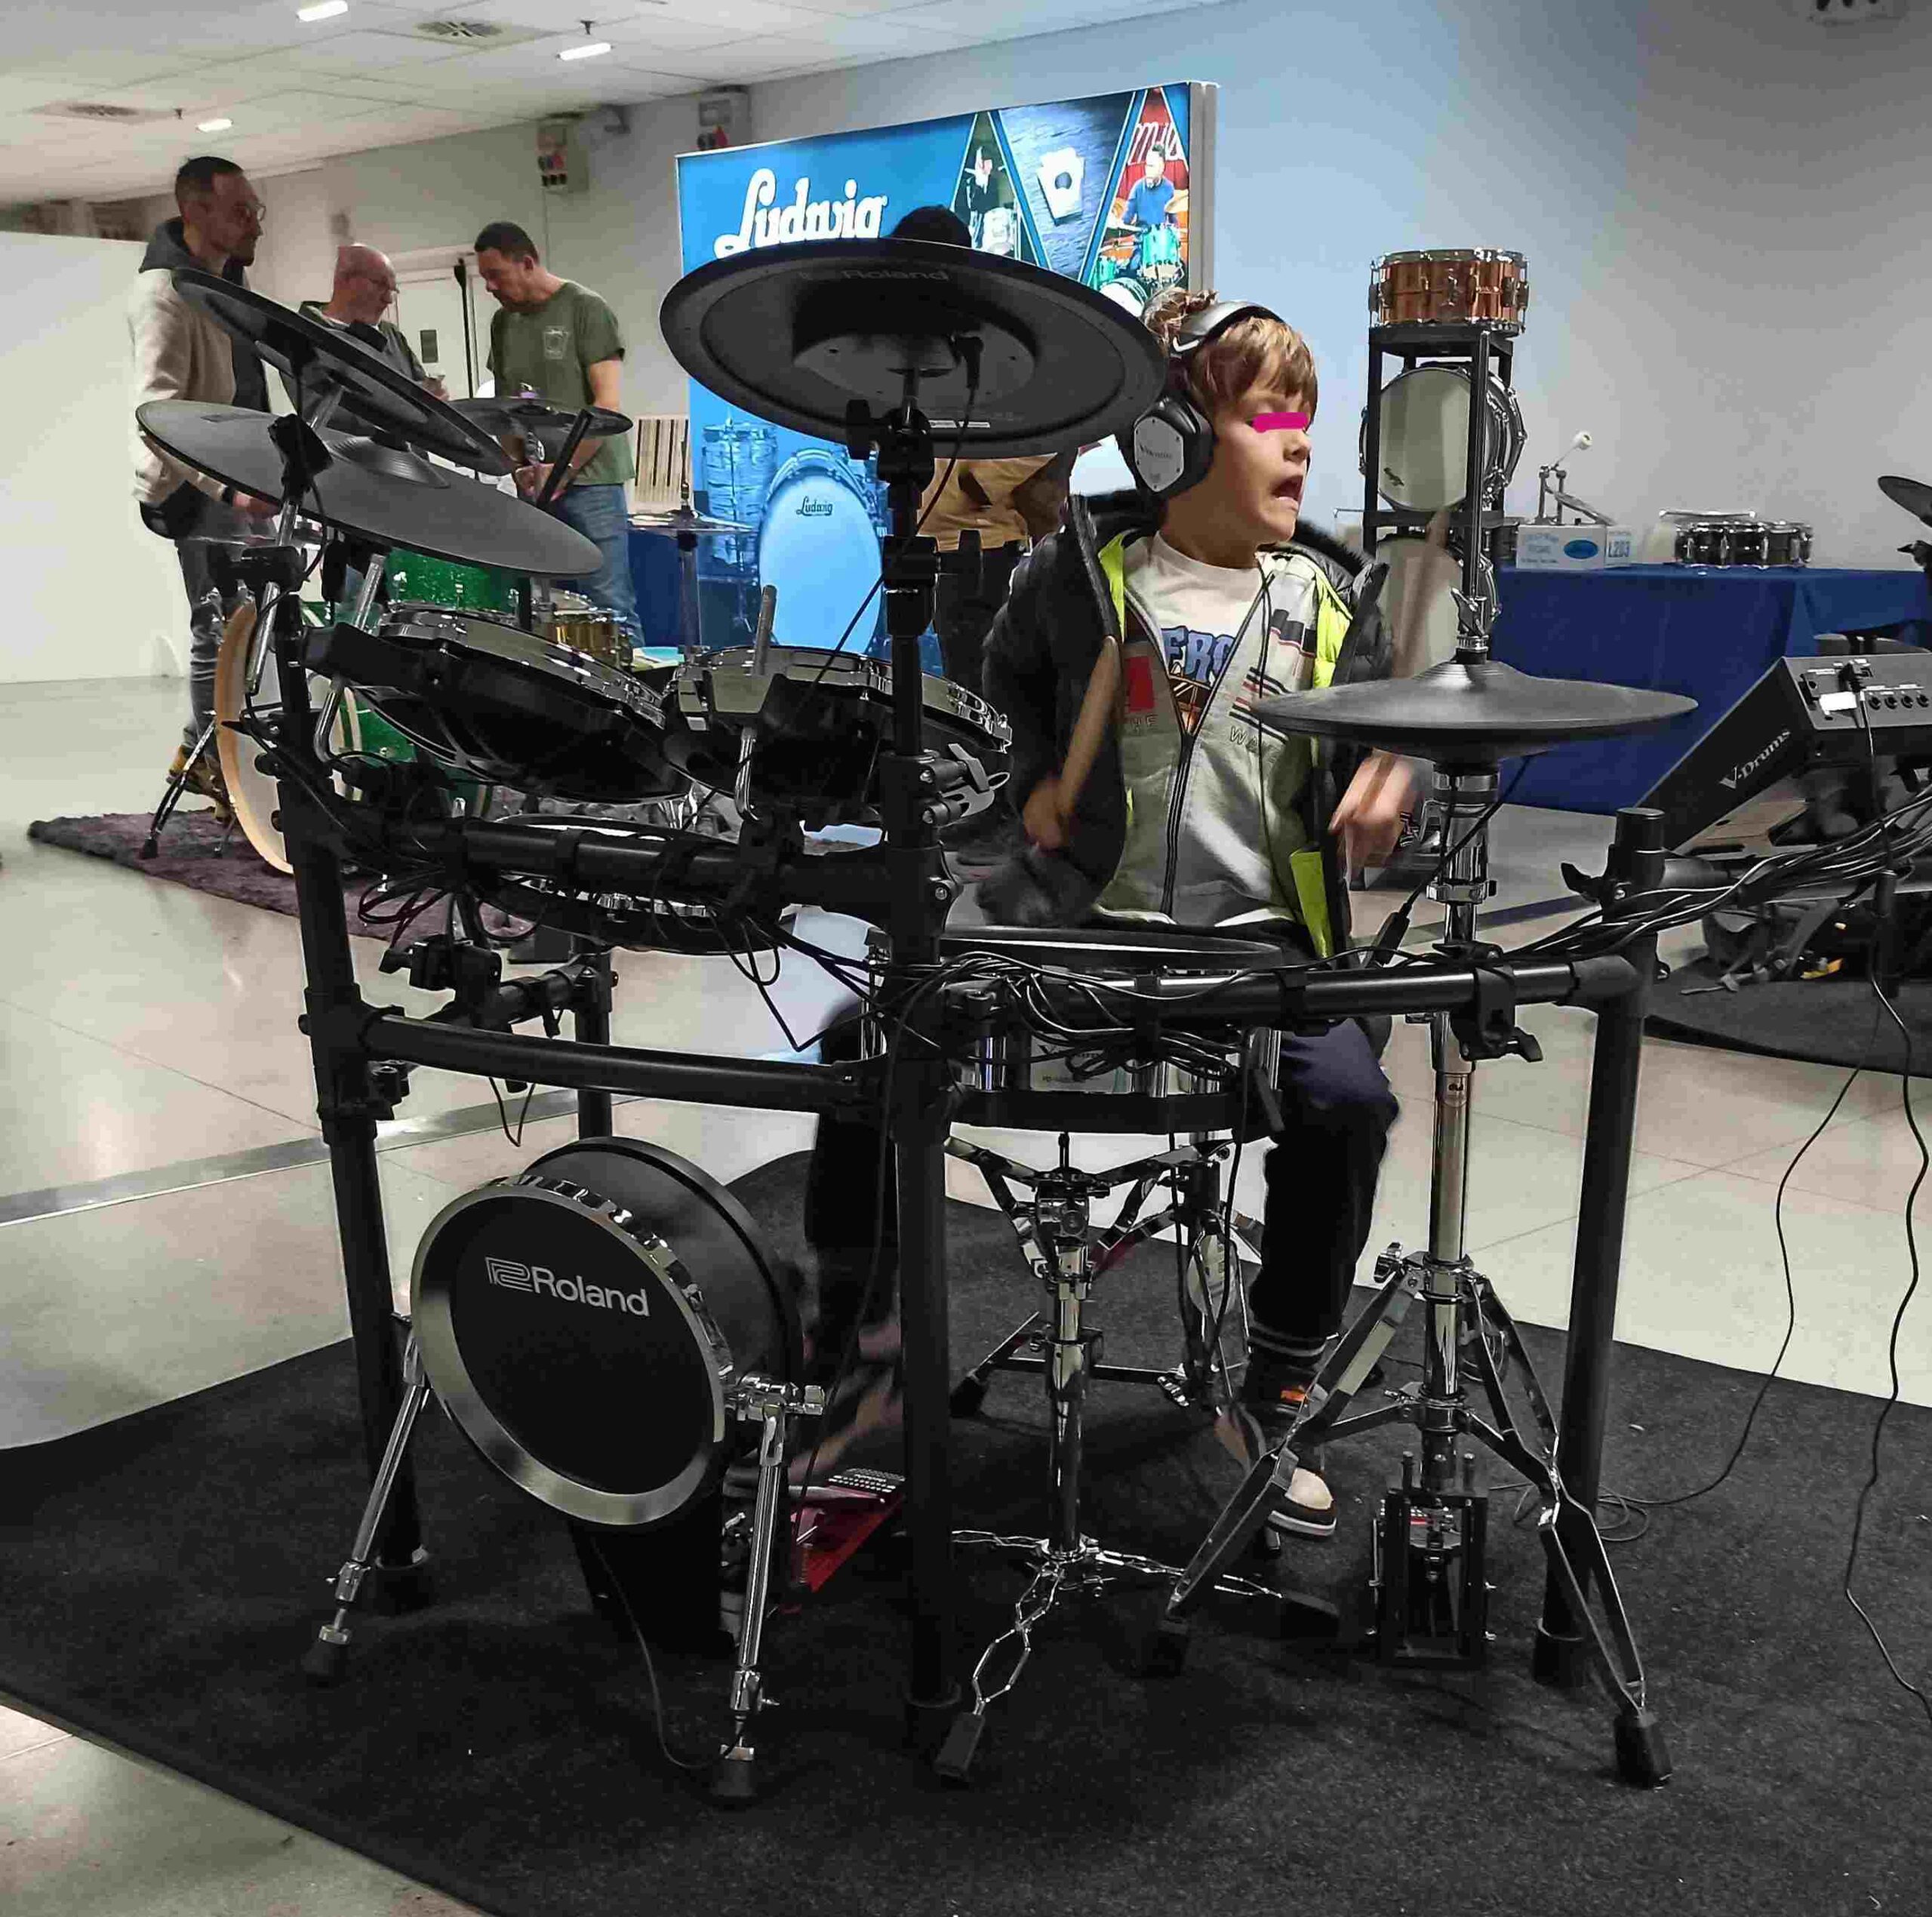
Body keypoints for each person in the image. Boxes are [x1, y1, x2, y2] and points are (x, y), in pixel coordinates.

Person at [803, 290, 1428, 1535]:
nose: (1301, 442)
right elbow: (1000, 684)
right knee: (862, 1038)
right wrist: (1033, 777)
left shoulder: (1333, 597)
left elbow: (1405, 720)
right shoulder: (1075, 574)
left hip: (1260, 953)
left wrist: (1394, 768)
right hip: (1070, 929)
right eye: (1267, 418)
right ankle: (860, 1360)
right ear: (1173, 440)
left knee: (1350, 1101)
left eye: (1306, 419)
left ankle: (1280, 1380)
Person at [888, 205, 1071, 857]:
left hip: (986, 547)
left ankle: (1009, 817)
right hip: (943, 545)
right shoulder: (926, 340)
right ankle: (992, 808)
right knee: (967, 694)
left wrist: (979, 484)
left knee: (997, 696)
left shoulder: (992, 337)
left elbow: (1058, 422)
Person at [131, 155, 275, 817]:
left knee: (252, 625)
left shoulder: (226, 281)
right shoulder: (164, 295)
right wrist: (228, 490)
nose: (256, 224)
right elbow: (157, 413)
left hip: (242, 475)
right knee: (218, 631)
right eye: (242, 211)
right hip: (198, 489)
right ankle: (216, 765)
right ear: (196, 211)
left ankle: (199, 750)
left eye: (256, 210)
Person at [472, 220, 638, 641]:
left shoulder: (586, 308)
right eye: (485, 277)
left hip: (591, 482)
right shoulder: (502, 323)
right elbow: (505, 406)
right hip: (536, 484)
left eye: (497, 275)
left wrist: (562, 471)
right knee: (542, 609)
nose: (489, 287)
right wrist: (517, 467)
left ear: (527, 263)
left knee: (610, 606)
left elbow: (607, 406)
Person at [296, 245, 446, 399]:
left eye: (392, 290)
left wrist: (433, 395)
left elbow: (421, 386)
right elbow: (336, 408)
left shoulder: (392, 334)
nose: (389, 300)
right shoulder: (303, 338)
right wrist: (413, 401)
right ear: (343, 279)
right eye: (380, 285)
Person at [1121, 146, 1177, 232]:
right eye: (1147, 165)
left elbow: (1174, 222)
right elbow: (1126, 219)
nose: (1148, 170)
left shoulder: (1169, 188)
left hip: (1161, 236)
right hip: (1142, 237)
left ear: (1162, 167)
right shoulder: (1138, 188)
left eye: (1152, 166)